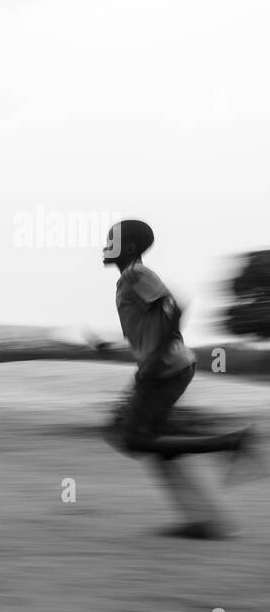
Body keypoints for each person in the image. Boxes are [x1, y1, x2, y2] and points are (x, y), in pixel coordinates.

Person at [101, 219, 258, 537]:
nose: (105, 245)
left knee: (135, 438)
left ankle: (231, 443)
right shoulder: (128, 280)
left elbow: (174, 308)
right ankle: (205, 522)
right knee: (155, 442)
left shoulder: (135, 274)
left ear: (129, 247)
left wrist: (157, 356)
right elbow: (156, 322)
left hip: (166, 368)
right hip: (164, 367)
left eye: (111, 240)